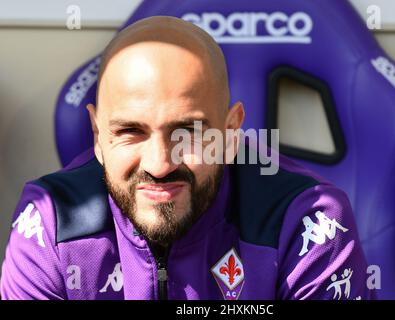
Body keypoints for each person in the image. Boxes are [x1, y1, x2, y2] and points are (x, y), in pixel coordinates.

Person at [0, 16, 374, 300]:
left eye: (189, 133)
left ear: (230, 133)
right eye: (131, 131)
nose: (160, 164)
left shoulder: (311, 222)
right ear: (97, 136)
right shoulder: (49, 224)